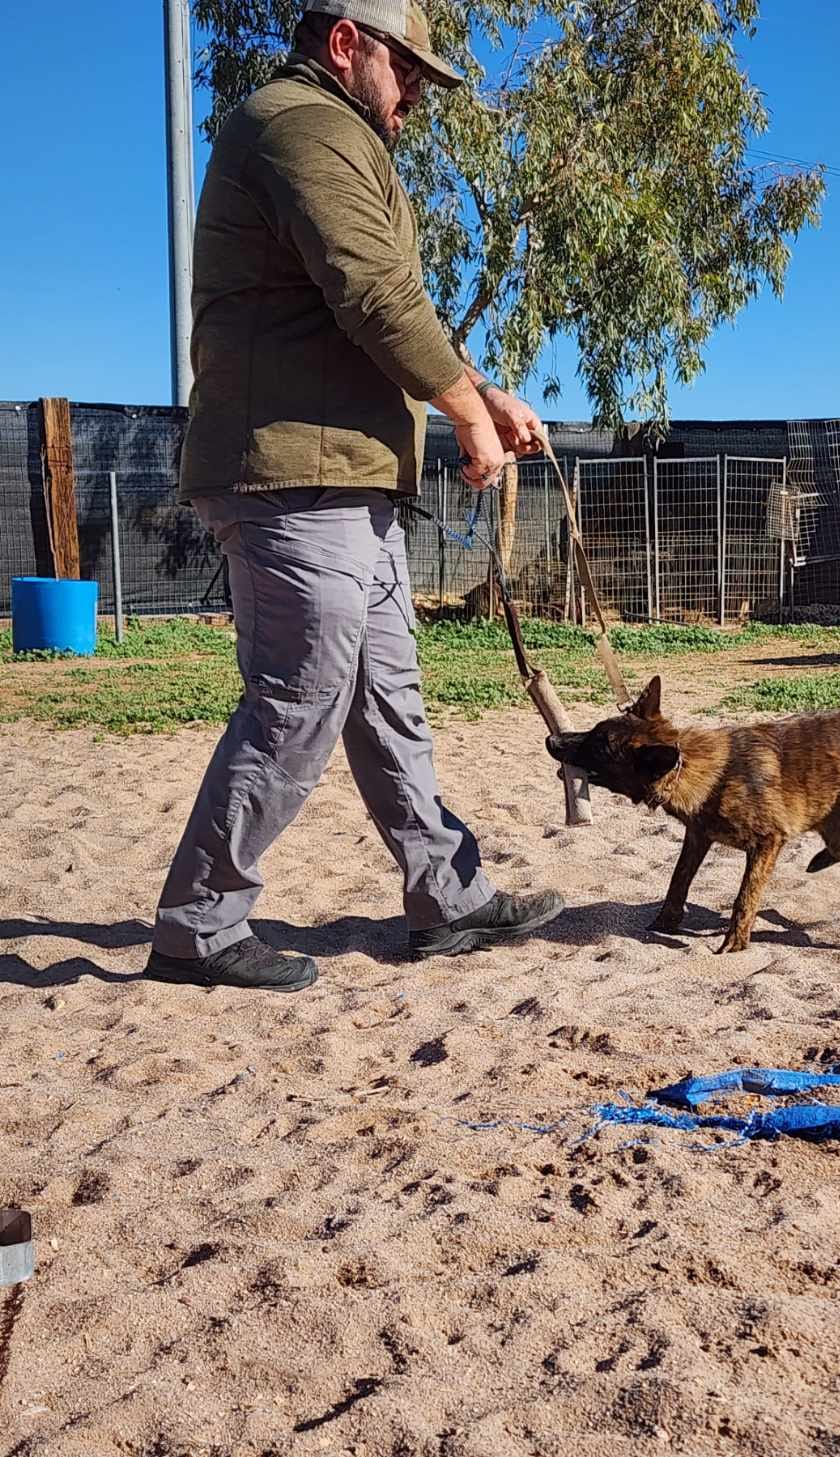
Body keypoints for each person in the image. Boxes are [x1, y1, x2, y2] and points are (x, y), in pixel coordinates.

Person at [145, 0, 564, 994]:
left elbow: (387, 306)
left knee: (387, 703)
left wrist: (480, 393)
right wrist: (465, 415)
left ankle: (447, 896)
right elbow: (372, 292)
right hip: (296, 478)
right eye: (407, 65)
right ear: (345, 43)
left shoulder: (328, 132)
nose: (417, 86)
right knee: (297, 700)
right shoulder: (303, 125)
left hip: (344, 478)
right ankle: (197, 927)